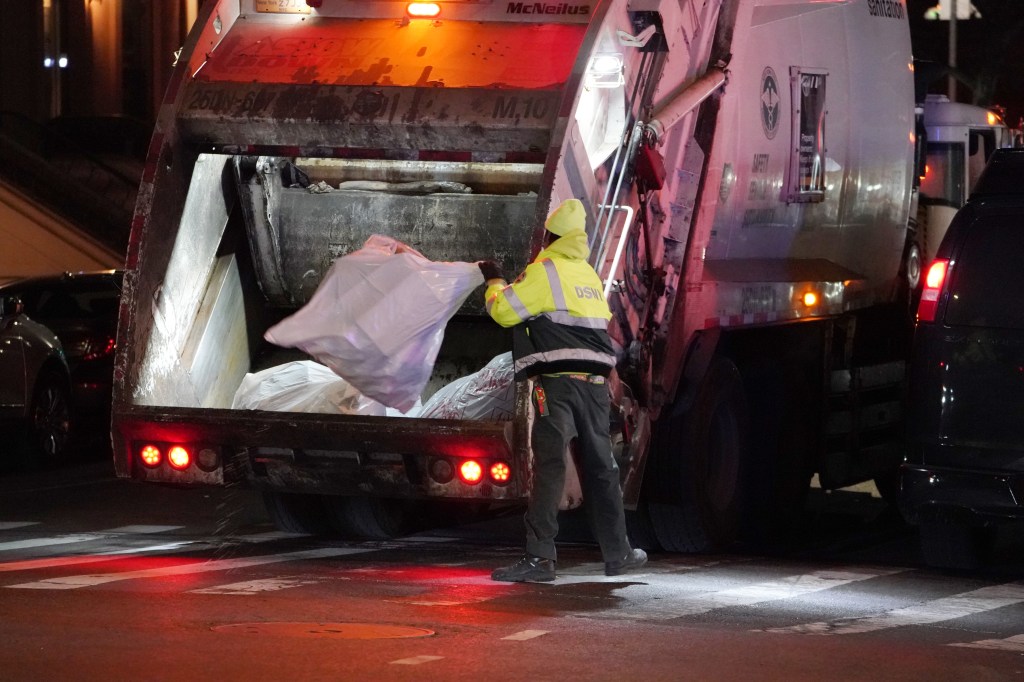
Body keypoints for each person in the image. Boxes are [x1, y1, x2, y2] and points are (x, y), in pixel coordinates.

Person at [478, 198, 647, 583]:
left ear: (551, 237)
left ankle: (539, 560)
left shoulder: (545, 271)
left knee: (550, 466)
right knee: (602, 467)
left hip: (558, 386)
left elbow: (504, 312)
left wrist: (494, 281)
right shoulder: (588, 276)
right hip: (595, 385)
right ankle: (618, 552)